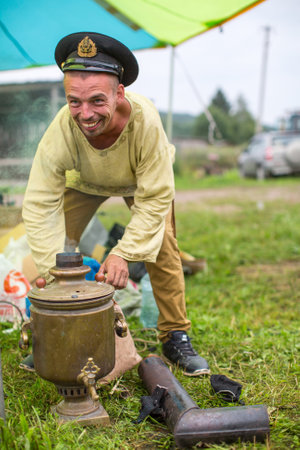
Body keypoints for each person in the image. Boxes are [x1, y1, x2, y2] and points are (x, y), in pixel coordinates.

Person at [22, 32, 209, 376]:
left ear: (119, 92)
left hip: (140, 182)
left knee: (163, 246)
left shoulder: (146, 121)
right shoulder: (62, 127)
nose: (85, 114)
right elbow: (39, 203)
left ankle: (174, 334)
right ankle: (51, 332)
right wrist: (53, 267)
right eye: (74, 101)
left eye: (96, 101)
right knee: (58, 249)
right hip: (86, 180)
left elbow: (154, 199)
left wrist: (125, 252)